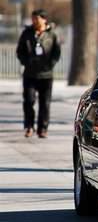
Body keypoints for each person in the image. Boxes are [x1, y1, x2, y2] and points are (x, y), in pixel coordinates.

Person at [16, 9, 61, 138]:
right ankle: (29, 126)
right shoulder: (27, 33)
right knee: (29, 101)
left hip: (46, 75)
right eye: (33, 19)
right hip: (30, 74)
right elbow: (20, 51)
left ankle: (43, 128)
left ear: (44, 19)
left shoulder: (52, 35)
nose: (34, 21)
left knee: (45, 103)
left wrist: (50, 64)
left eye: (37, 18)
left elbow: (56, 52)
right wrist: (26, 62)